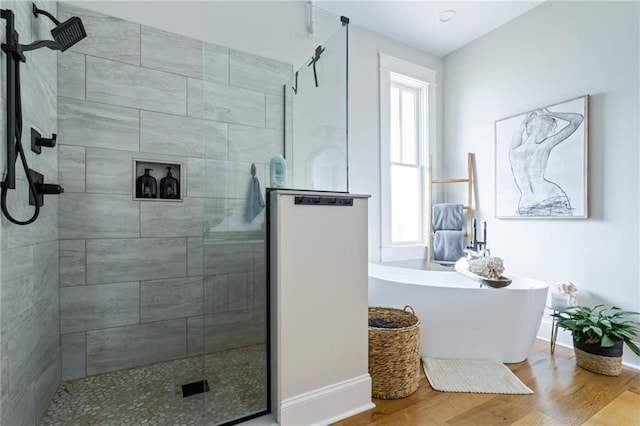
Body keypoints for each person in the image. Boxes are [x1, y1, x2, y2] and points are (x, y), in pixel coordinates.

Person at [509, 108, 584, 216]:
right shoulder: (543, 146)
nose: (552, 132)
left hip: (526, 203)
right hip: (550, 196)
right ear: (545, 129)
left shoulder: (514, 152)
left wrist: (524, 121)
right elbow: (577, 119)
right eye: (552, 128)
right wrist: (550, 113)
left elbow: (519, 131)